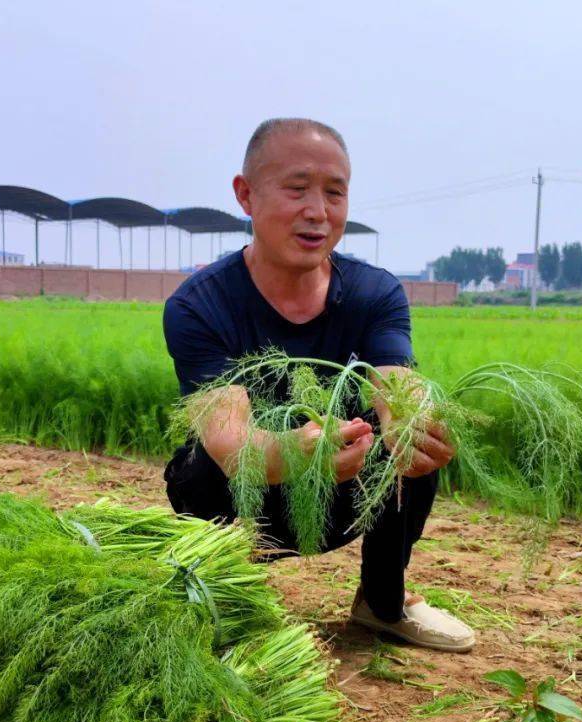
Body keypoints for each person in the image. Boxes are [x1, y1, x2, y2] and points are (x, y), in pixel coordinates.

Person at [162, 117, 474, 652]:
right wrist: (296, 452)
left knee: (406, 446)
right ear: (246, 195)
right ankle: (219, 593)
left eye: (335, 193)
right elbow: (231, 443)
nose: (318, 212)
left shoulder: (375, 293)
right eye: (297, 189)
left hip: (344, 497)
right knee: (198, 467)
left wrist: (411, 416)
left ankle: (382, 604)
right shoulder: (200, 305)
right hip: (253, 505)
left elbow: (396, 377)